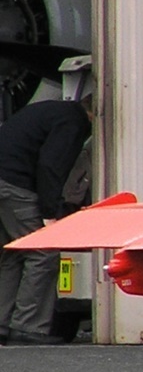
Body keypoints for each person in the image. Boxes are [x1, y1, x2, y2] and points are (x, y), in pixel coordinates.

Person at [0, 94, 93, 344]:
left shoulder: (51, 110)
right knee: (43, 253)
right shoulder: (73, 122)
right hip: (15, 184)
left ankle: (3, 324)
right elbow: (51, 165)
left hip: (4, 179)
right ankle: (28, 328)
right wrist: (49, 212)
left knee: (13, 252)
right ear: (94, 115)